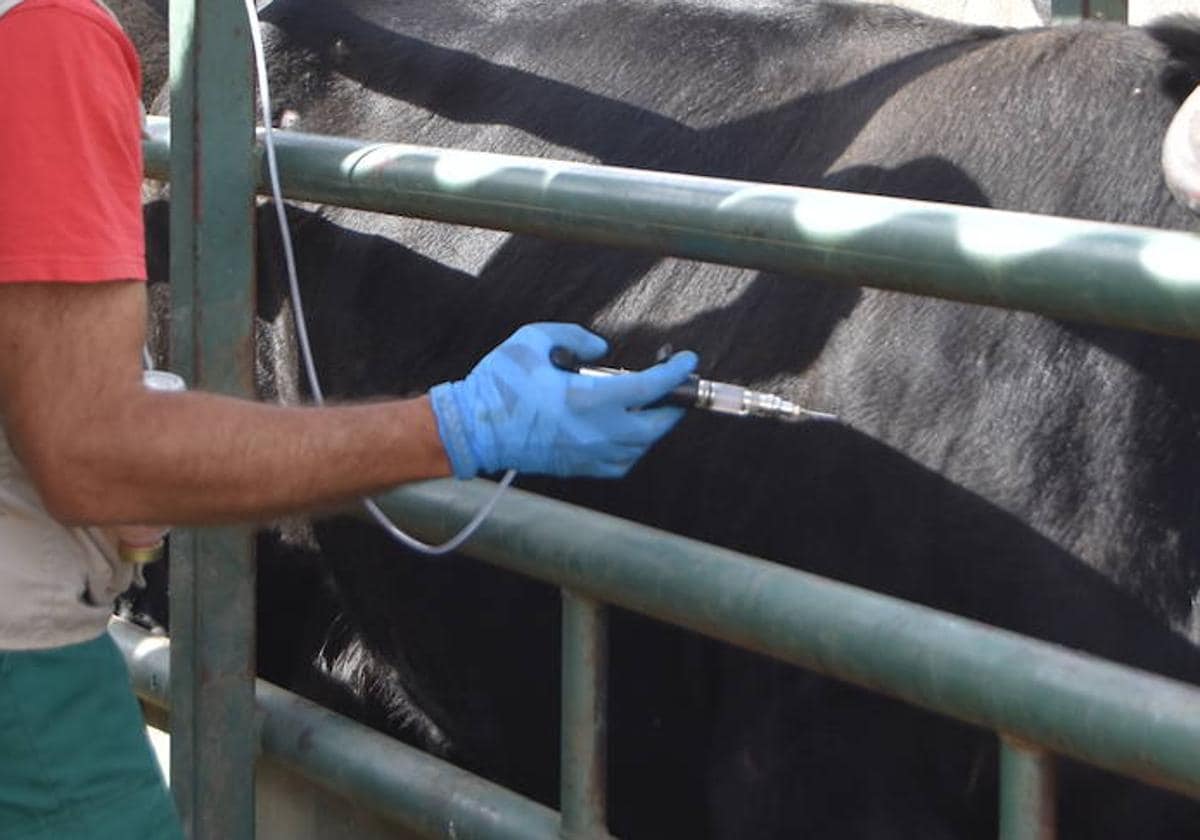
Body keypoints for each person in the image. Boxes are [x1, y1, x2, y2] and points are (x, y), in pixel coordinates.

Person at [0, 1, 697, 837]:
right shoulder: (43, 34)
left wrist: (112, 395)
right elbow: (93, 457)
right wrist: (458, 425)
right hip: (26, 687)